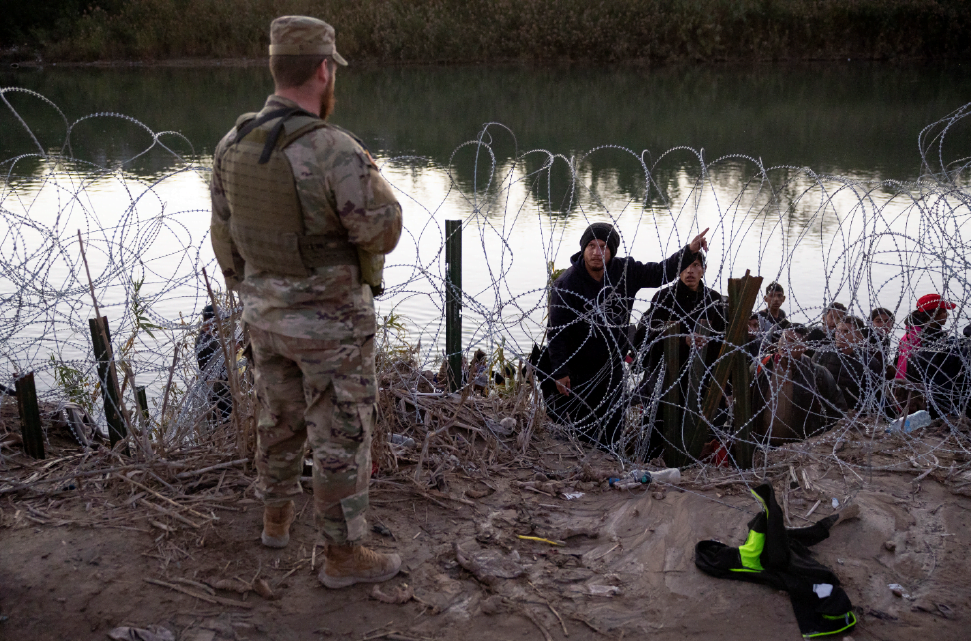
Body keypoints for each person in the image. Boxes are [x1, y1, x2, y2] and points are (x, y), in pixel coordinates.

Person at [210, 16, 403, 589]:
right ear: (324, 70)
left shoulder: (232, 144)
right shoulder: (333, 149)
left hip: (263, 315)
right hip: (331, 328)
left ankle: (275, 520)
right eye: (331, 69)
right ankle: (343, 557)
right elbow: (383, 230)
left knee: (278, 419)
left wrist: (257, 292)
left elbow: (225, 236)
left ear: (275, 68)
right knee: (340, 434)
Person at [543, 223, 709, 447]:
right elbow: (557, 332)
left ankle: (609, 459)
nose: (596, 252)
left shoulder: (625, 271)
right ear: (583, 249)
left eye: (603, 247)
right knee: (581, 429)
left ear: (611, 250)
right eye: (591, 246)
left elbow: (659, 272)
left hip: (612, 366)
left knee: (612, 427)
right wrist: (560, 371)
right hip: (577, 369)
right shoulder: (567, 284)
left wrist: (689, 251)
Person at [632, 252, 726, 459]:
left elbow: (722, 339)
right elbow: (647, 336)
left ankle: (691, 461)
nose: (689, 271)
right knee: (658, 426)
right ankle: (649, 461)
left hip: (701, 377)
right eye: (685, 266)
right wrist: (681, 339)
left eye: (695, 265)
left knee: (698, 429)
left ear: (703, 270)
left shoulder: (713, 300)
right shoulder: (664, 297)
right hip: (666, 376)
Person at [751, 326, 847, 446]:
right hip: (761, 443)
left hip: (799, 448)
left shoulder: (816, 373)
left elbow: (838, 409)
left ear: (804, 347)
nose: (786, 344)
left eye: (792, 341)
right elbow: (742, 400)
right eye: (784, 338)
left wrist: (820, 437)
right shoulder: (761, 366)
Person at [895, 294, 960, 417]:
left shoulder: (933, 333)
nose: (947, 315)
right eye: (944, 312)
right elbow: (910, 369)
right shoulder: (914, 338)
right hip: (912, 393)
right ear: (932, 314)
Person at [811, 316, 884, 413]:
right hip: (823, 412)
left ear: (859, 336)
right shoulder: (823, 354)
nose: (840, 335)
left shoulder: (869, 363)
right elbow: (809, 380)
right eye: (838, 331)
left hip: (853, 415)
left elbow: (875, 396)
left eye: (846, 332)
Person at [195, 304, 233, 425]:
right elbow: (215, 365)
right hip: (216, 389)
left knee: (223, 421)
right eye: (218, 320)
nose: (221, 323)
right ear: (209, 320)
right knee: (222, 422)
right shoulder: (204, 341)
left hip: (221, 387)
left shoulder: (209, 337)